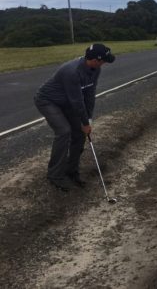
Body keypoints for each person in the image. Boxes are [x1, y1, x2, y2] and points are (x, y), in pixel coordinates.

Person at [34, 43, 115, 192]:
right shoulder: (72, 72)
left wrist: (88, 120)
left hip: (67, 101)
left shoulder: (95, 69)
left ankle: (71, 171)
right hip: (48, 101)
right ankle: (55, 175)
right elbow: (77, 101)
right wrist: (84, 122)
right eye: (104, 60)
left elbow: (89, 95)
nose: (105, 63)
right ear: (95, 59)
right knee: (64, 131)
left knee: (79, 133)